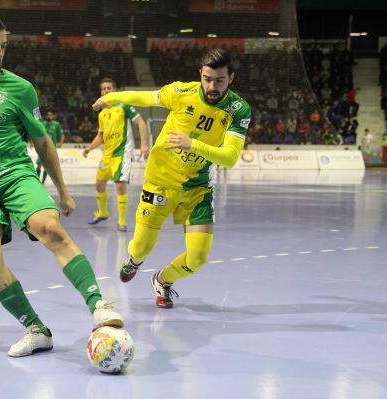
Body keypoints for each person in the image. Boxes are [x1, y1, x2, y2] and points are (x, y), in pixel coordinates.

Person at [0, 12, 123, 358]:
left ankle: (98, 304)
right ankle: (36, 329)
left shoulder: (20, 88)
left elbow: (42, 142)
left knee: (49, 227)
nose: (0, 53)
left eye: (4, 46)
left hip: (15, 176)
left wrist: (63, 191)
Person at [92, 48, 251, 308]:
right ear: (200, 73)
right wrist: (113, 98)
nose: (212, 86)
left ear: (231, 78)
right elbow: (145, 97)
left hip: (197, 188)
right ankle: (133, 261)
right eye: (207, 78)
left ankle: (163, 280)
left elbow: (230, 157)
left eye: (219, 80)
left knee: (197, 258)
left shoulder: (238, 109)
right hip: (160, 183)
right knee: (141, 248)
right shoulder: (181, 93)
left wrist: (193, 145)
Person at [83, 78, 149, 232]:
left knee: (120, 185)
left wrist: (144, 144)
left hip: (122, 152)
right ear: (101, 92)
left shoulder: (124, 106)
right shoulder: (102, 114)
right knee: (99, 184)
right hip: (107, 154)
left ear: (114, 90)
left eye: (109, 88)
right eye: (104, 89)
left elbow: (141, 123)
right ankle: (103, 212)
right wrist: (89, 148)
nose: (106, 91)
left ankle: (122, 221)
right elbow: (100, 136)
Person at [35, 110, 64, 184]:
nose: (49, 116)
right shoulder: (43, 123)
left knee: (47, 168)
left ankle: (43, 182)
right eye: (48, 115)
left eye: (51, 115)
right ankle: (38, 181)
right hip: (42, 148)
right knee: (38, 166)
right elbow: (36, 128)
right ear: (46, 116)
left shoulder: (56, 124)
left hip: (51, 149)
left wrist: (60, 143)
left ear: (53, 116)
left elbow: (62, 134)